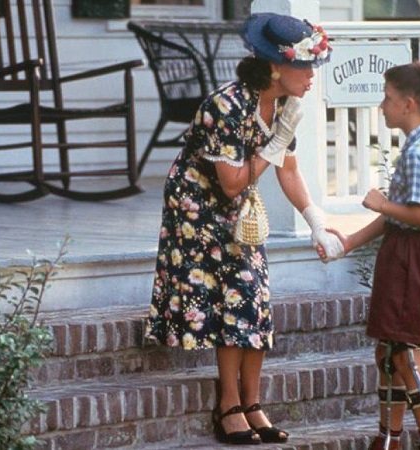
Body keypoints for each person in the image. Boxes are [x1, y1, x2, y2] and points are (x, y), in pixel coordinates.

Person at [145, 12, 344, 446]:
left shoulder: (285, 105)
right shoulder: (226, 105)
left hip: (238, 209)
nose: (312, 77)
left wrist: (316, 222)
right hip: (197, 206)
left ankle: (253, 405)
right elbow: (233, 182)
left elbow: (288, 171)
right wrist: (273, 145)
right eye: (305, 66)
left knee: (253, 298)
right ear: (275, 67)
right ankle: (228, 405)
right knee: (229, 300)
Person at [323, 62, 420, 450]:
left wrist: (383, 203)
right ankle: (388, 439)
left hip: (413, 256)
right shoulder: (419, 145)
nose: (382, 106)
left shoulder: (418, 153)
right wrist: (348, 241)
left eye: (388, 98)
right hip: (407, 252)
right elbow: (397, 216)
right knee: (390, 351)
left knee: (407, 355)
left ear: (409, 104)